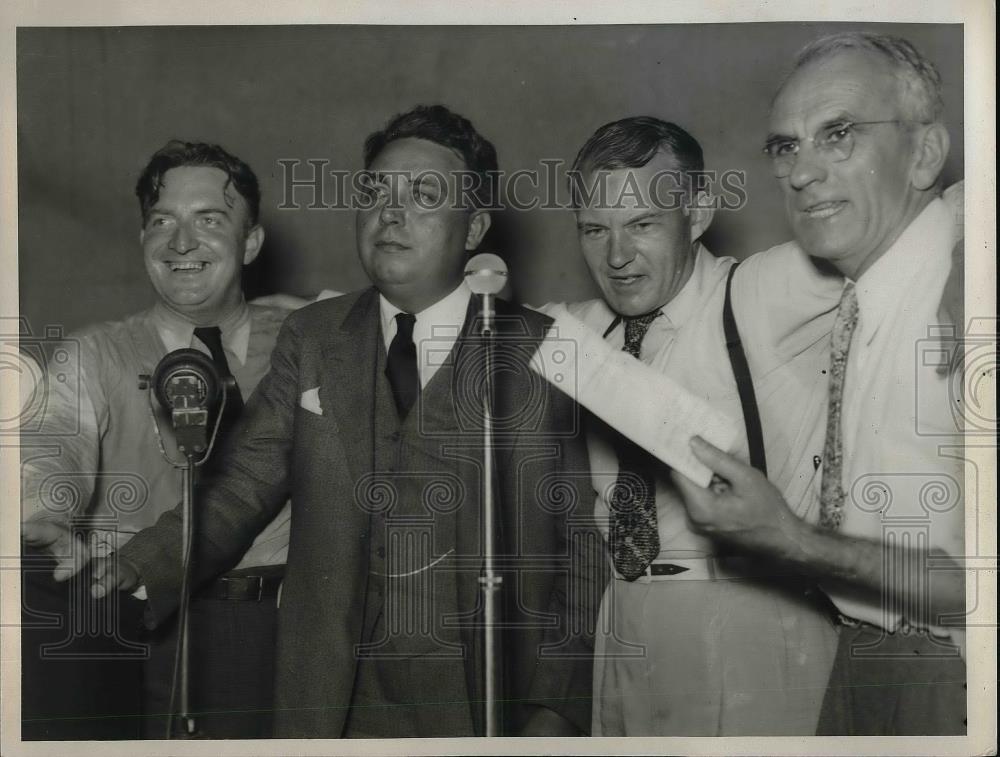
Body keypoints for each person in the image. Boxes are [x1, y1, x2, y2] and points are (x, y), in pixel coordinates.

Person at [94, 105, 601, 738]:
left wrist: (554, 706)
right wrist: (144, 563)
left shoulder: (535, 349)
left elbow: (580, 547)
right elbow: (239, 486)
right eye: (376, 193)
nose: (392, 213)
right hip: (327, 703)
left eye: (424, 195)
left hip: (478, 703)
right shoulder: (314, 337)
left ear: (473, 228)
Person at [672, 32, 967, 735]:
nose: (800, 172)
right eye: (785, 146)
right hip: (864, 655)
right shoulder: (866, 291)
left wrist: (793, 539)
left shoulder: (970, 300)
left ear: (924, 152)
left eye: (838, 135)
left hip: (949, 673)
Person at [562, 116, 844, 735]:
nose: (616, 256)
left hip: (754, 622)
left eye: (642, 225)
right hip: (625, 623)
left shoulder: (763, 292)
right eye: (594, 230)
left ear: (697, 213)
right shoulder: (580, 332)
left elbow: (910, 232)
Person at [21, 140, 292, 739]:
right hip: (141, 628)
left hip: (276, 630)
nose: (181, 243)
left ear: (250, 243)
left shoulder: (310, 337)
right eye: (161, 221)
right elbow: (53, 445)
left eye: (210, 220)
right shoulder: (95, 354)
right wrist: (44, 513)